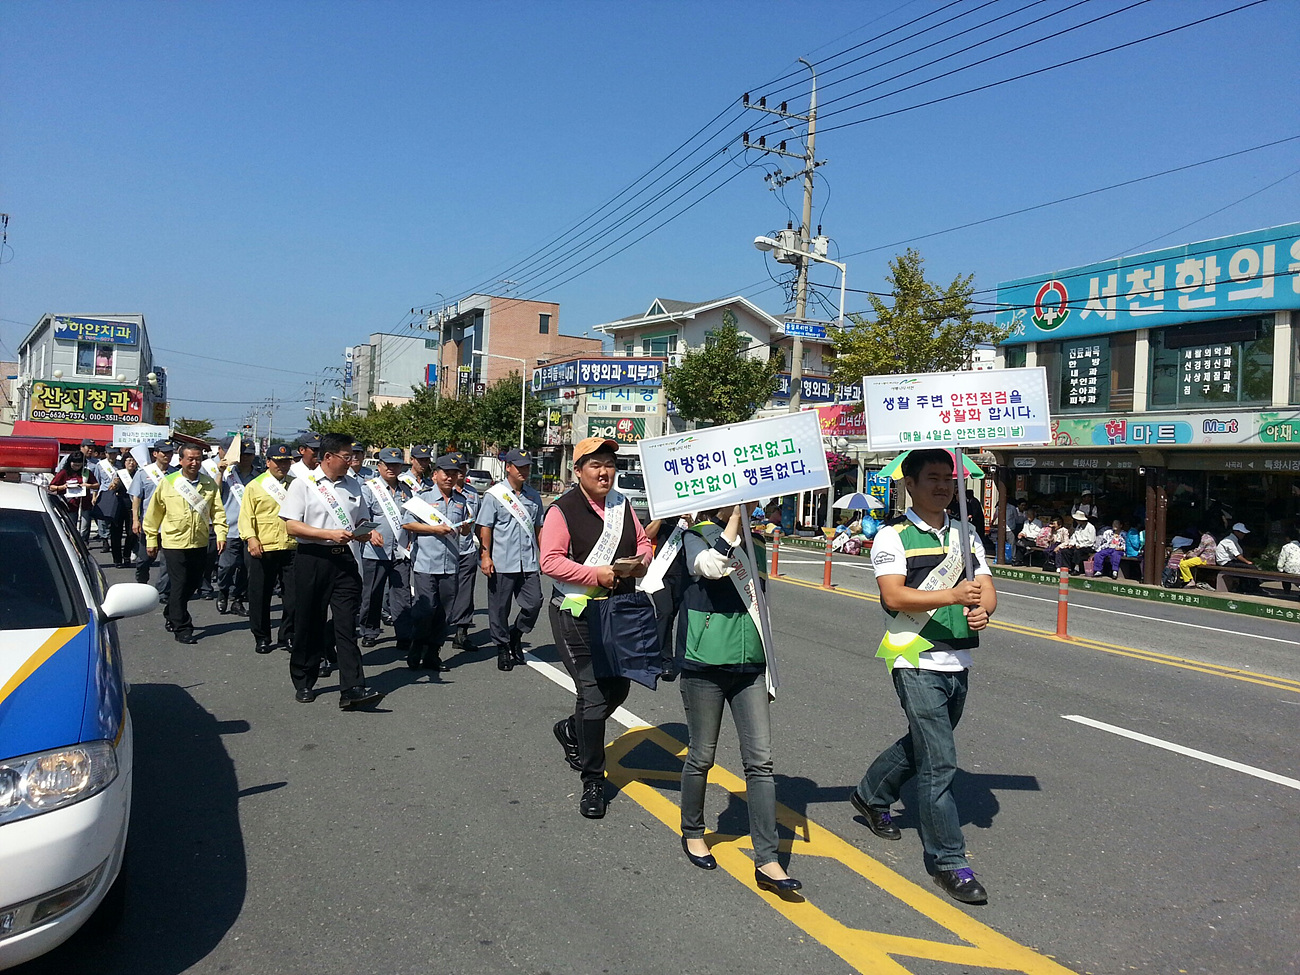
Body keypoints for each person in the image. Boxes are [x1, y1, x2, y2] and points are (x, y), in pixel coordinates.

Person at [851, 448, 996, 905]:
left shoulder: (966, 534)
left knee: (924, 743)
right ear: (909, 483)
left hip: (959, 660)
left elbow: (987, 590)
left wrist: (982, 611)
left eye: (947, 478)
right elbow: (893, 596)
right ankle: (949, 861)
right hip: (913, 656)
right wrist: (954, 594)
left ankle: (870, 795)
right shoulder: (892, 537)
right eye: (931, 477)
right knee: (939, 761)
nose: (942, 486)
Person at [676, 504, 800, 894]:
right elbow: (711, 568)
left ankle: (767, 859)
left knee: (761, 763)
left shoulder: (758, 541)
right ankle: (692, 831)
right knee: (702, 754)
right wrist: (732, 524)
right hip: (704, 663)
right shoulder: (694, 536)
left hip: (751, 666)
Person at [539, 436, 651, 819]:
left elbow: (641, 542)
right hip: (575, 612)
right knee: (593, 693)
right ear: (578, 470)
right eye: (595, 465)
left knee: (618, 685)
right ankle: (593, 780)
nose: (605, 472)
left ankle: (572, 729)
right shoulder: (562, 510)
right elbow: (550, 562)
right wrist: (594, 573)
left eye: (609, 464)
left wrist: (642, 560)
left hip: (617, 611)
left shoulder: (622, 505)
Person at [279, 432, 384, 708]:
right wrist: (327, 534)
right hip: (313, 558)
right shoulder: (304, 484)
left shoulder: (354, 485)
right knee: (309, 622)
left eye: (352, 456)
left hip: (345, 560)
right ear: (328, 457)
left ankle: (352, 688)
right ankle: (304, 679)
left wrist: (365, 532)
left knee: (347, 626)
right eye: (346, 456)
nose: (351, 461)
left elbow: (359, 517)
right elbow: (291, 525)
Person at [143, 444, 228, 645]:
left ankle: (171, 611)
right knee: (180, 582)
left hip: (199, 541)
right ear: (180, 460)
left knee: (193, 583)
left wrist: (222, 534)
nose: (194, 463)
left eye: (197, 459)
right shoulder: (169, 483)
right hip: (174, 542)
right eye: (190, 458)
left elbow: (218, 512)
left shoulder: (208, 484)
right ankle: (182, 626)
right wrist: (151, 538)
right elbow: (154, 513)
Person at [476, 448, 545, 672]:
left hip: (528, 560)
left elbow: (538, 528)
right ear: (508, 467)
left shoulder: (534, 496)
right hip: (502, 559)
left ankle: (517, 632)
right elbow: (485, 526)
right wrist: (485, 555)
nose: (524, 471)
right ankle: (503, 647)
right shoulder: (494, 495)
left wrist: (543, 554)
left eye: (527, 467)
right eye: (519, 467)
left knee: (534, 602)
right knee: (499, 608)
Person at [402, 454, 472, 671]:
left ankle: (433, 653)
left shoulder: (462, 501)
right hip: (426, 562)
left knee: (443, 611)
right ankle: (417, 647)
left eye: (454, 474)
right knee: (426, 609)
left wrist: (467, 528)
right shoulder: (422, 499)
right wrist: (433, 529)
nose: (450, 478)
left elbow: (464, 527)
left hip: (450, 563)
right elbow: (407, 524)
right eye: (446, 473)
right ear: (435, 475)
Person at [240, 443, 298, 654]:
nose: (282, 466)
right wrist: (251, 538)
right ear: (268, 462)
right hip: (263, 546)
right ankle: (262, 636)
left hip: (291, 546)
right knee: (260, 595)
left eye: (286, 461)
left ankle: (287, 635)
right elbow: (246, 516)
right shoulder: (255, 486)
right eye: (278, 461)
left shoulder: (296, 485)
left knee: (293, 595)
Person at [359, 447, 415, 654]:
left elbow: (411, 518)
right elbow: (361, 517)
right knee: (373, 592)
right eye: (387, 464)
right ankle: (370, 631)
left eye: (396, 465)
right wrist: (370, 533)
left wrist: (411, 540)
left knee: (401, 594)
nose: (391, 468)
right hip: (376, 550)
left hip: (400, 551)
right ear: (379, 466)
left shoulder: (406, 490)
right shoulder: (369, 488)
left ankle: (404, 634)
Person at [217, 440, 257, 616]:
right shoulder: (227, 475)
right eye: (242, 454)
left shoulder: (260, 477)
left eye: (249, 454)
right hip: (230, 527)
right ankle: (223, 591)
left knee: (246, 568)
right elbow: (215, 494)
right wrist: (220, 473)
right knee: (227, 565)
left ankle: (237, 600)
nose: (245, 458)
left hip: (251, 530)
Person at [131, 440, 175, 593]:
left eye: (170, 452)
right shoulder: (143, 473)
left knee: (167, 561)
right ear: (155, 454)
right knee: (144, 559)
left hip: (170, 524)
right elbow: (136, 497)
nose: (167, 456)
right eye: (164, 452)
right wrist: (135, 520)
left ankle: (163, 591)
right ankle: (142, 583)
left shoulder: (176, 474)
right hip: (149, 523)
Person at [448, 450, 482, 651]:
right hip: (443, 551)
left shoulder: (472, 493)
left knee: (465, 593)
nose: (460, 470)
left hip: (466, 549)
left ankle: (461, 633)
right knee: (442, 594)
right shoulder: (437, 492)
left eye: (463, 466)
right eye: (456, 468)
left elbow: (479, 523)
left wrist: (485, 551)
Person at [49, 450, 97, 544]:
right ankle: (72, 543)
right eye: (74, 465)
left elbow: (96, 485)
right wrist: (63, 487)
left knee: (85, 525)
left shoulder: (86, 472)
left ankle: (83, 542)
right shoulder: (64, 472)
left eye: (79, 465)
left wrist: (88, 486)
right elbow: (51, 487)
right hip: (70, 503)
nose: (76, 467)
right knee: (71, 524)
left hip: (84, 502)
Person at [1057, 510, 1096, 576]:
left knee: (1077, 552)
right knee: (1065, 551)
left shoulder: (1091, 527)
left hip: (1087, 546)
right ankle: (1067, 568)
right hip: (1077, 545)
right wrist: (1071, 543)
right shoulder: (1078, 526)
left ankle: (1076, 569)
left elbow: (1091, 541)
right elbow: (1074, 537)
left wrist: (1081, 545)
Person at [1277, 526, 1300, 593]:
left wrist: (1280, 569)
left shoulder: (1285, 547)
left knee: (1284, 572)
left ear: (1288, 538)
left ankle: (1287, 591)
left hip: (1289, 570)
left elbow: (1281, 562)